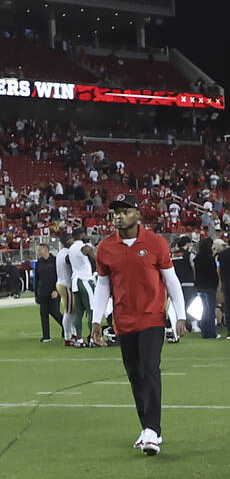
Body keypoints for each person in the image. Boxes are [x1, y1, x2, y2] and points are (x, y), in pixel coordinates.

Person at [89, 195, 188, 456]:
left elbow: (171, 281)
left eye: (124, 211)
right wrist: (96, 320)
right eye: (115, 213)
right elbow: (102, 285)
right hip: (123, 320)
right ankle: (148, 428)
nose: (118, 216)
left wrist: (181, 315)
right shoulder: (106, 247)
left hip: (152, 317)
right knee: (134, 375)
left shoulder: (155, 243)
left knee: (148, 368)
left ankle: (152, 431)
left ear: (137, 215)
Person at [66, 228, 97, 345]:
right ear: (82, 235)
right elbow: (95, 258)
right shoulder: (84, 248)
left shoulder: (71, 248)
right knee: (92, 310)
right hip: (85, 280)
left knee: (78, 312)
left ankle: (79, 339)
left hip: (75, 281)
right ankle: (93, 339)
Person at [33, 243, 64, 342]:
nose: (38, 252)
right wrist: (36, 294)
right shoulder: (39, 262)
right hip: (42, 292)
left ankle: (66, 327)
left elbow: (59, 277)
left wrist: (56, 290)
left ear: (45, 250)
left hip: (54, 292)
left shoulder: (55, 261)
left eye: (39, 250)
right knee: (43, 314)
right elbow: (37, 279)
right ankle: (46, 336)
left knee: (55, 312)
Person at [192, 237, 218, 339]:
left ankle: (204, 332)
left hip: (199, 286)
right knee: (210, 311)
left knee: (203, 310)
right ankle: (211, 333)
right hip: (210, 287)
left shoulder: (197, 258)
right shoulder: (210, 259)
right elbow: (213, 273)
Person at [169, 239, 196, 338]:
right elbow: (194, 268)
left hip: (175, 284)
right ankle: (193, 325)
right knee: (190, 305)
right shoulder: (190, 255)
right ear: (187, 244)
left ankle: (179, 326)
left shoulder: (172, 255)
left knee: (177, 306)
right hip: (188, 283)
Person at [54, 237, 77, 346]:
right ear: (68, 241)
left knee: (71, 311)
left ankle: (72, 334)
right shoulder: (67, 254)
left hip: (62, 283)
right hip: (66, 284)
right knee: (68, 312)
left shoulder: (60, 252)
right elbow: (71, 263)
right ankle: (68, 337)